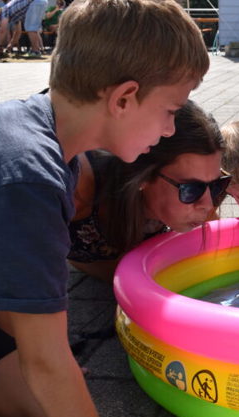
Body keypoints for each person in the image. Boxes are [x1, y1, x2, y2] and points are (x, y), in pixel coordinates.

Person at [0, 0, 209, 417]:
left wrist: (48, 359)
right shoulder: (28, 174)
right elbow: (45, 363)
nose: (171, 129)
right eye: (171, 110)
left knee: (40, 415)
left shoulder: (50, 140)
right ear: (124, 97)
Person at [70, 100, 229, 283]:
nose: (208, 204)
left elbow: (221, 255)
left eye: (217, 184)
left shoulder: (201, 188)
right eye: (191, 189)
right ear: (144, 174)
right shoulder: (79, 190)